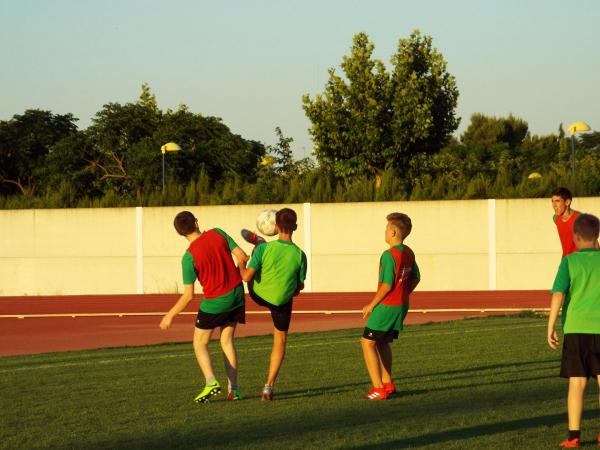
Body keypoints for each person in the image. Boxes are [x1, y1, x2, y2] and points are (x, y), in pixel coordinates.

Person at [160, 211, 248, 403]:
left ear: (180, 233)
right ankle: (234, 390)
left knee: (199, 343)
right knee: (226, 342)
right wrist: (238, 274)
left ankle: (210, 382)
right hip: (236, 295)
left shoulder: (188, 257)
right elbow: (242, 256)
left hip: (215, 302)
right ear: (197, 223)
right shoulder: (218, 233)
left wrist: (170, 315)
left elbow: (188, 295)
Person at [239, 208, 307, 400]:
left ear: (276, 227)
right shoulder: (300, 255)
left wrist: (241, 263)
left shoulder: (265, 249)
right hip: (281, 302)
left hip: (258, 294)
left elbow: (245, 278)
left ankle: (256, 243)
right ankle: (268, 386)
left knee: (258, 257)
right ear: (295, 227)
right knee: (280, 340)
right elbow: (299, 286)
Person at [547, 213, 600, 447]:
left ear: (576, 237)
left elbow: (559, 294)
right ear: (597, 236)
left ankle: (573, 436)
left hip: (576, 328)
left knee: (577, 383)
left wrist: (550, 326)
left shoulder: (569, 261)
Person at [361, 212, 420, 400]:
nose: (385, 232)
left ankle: (378, 388)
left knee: (367, 342)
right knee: (382, 341)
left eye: (387, 228)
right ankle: (388, 383)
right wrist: (403, 293)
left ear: (394, 232)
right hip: (401, 305)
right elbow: (416, 277)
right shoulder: (408, 252)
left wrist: (371, 305)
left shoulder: (389, 255)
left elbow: (386, 285)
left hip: (387, 305)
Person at [552, 187, 580, 257]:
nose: (554, 205)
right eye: (552, 201)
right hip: (566, 261)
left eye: (557, 201)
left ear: (567, 202)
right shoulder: (555, 218)